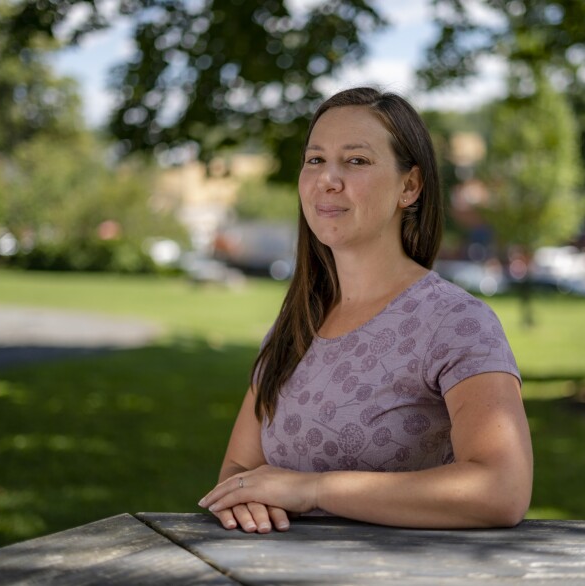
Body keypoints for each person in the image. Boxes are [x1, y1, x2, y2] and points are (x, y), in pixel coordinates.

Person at [198, 87, 532, 532]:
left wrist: (313, 490)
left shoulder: (456, 323)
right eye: (315, 160)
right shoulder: (295, 324)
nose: (327, 179)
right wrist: (243, 501)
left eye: (356, 161)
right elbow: (241, 466)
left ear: (409, 186)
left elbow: (502, 488)